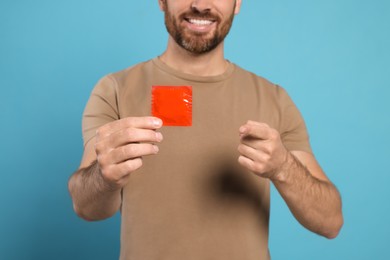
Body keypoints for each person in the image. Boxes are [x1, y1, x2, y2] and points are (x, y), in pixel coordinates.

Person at [68, 0, 343, 259]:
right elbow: (86, 207)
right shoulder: (115, 90)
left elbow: (330, 222)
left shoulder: (274, 100)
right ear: (162, 0)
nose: (200, 4)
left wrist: (284, 166)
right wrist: (104, 177)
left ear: (238, 3)